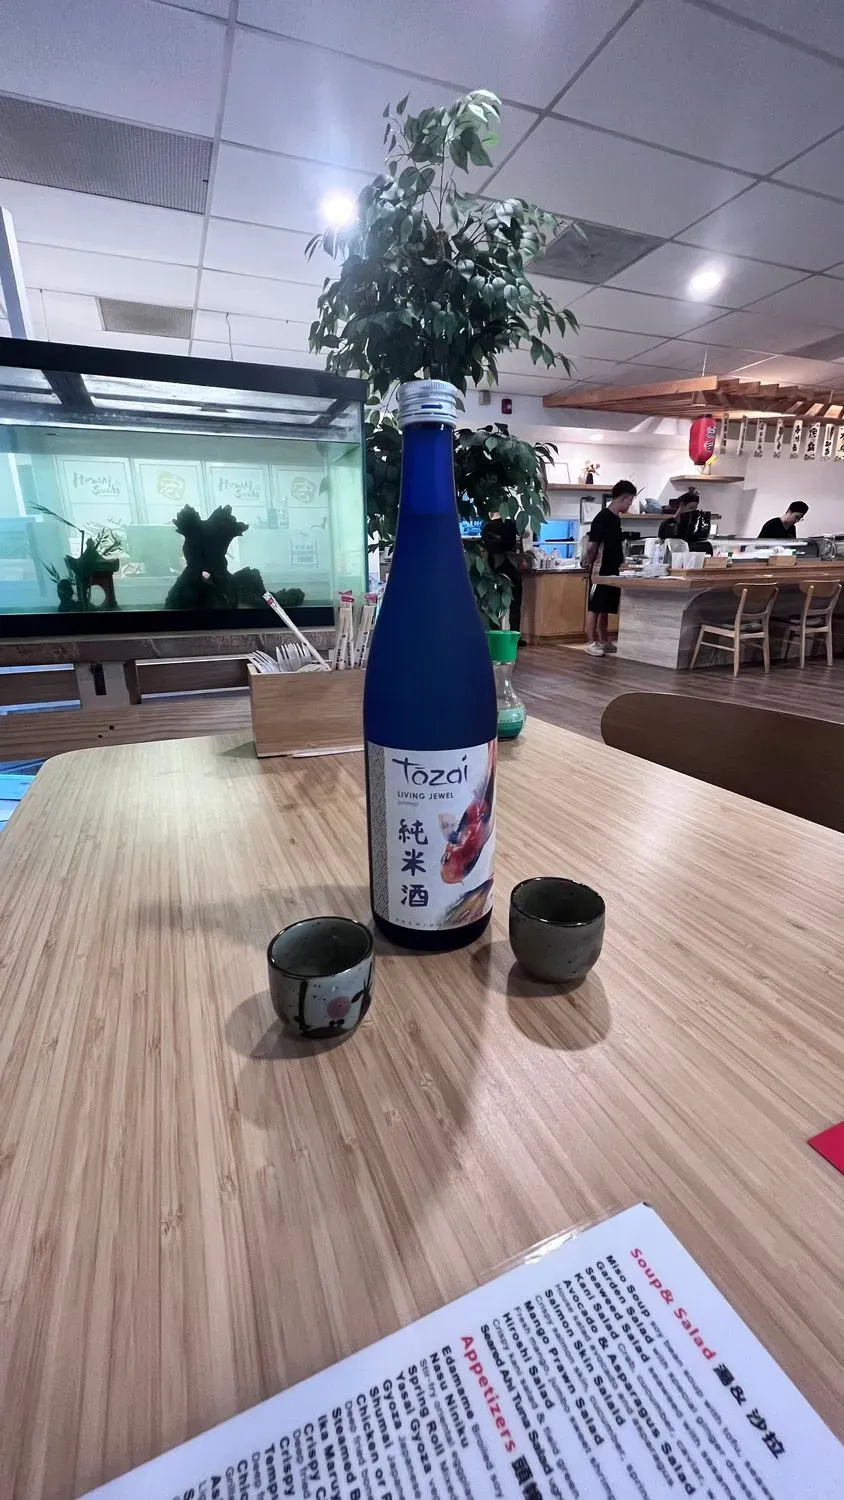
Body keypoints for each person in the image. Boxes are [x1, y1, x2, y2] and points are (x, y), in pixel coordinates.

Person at [583, 479, 636, 656]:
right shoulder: (602, 518)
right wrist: (590, 563)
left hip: (613, 569)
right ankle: (591, 642)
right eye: (630, 500)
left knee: (605, 606)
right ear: (624, 498)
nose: (630, 504)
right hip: (600, 569)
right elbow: (592, 546)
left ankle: (604, 639)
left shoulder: (615, 519)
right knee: (595, 606)